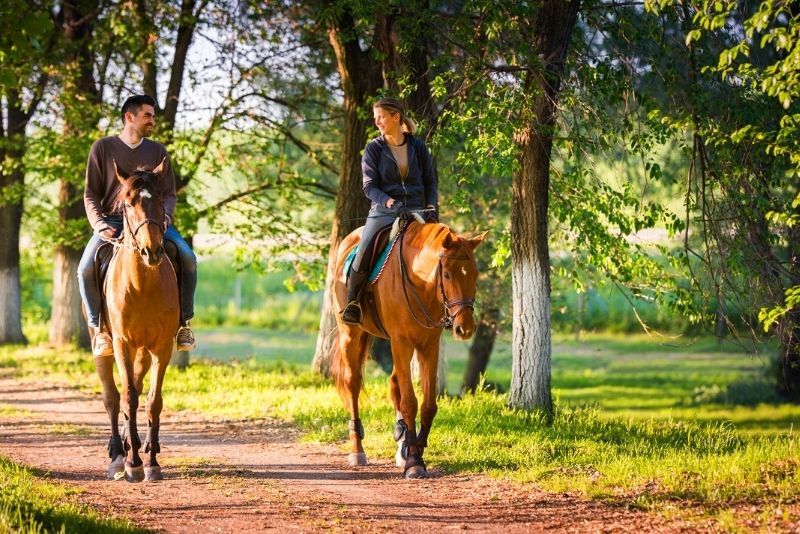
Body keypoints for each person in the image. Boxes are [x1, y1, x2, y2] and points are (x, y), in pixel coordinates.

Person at [77, 94, 197, 357]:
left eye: (153, 116)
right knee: (85, 268)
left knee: (187, 257)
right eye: (148, 115)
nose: (152, 120)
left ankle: (184, 324)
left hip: (153, 221)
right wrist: (98, 224)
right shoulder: (102, 148)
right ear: (129, 117)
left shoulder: (158, 152)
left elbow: (170, 194)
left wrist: (165, 218)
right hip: (112, 220)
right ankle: (100, 330)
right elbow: (90, 194)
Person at [341, 97, 439, 326]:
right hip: (384, 211)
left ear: (396, 117)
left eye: (381, 117)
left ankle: (443, 305)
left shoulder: (418, 147)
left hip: (418, 210)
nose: (378, 122)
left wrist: (432, 206)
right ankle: (353, 303)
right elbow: (369, 187)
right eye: (376, 119)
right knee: (364, 250)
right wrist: (392, 204)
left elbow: (430, 182)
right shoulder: (373, 149)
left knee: (445, 249)